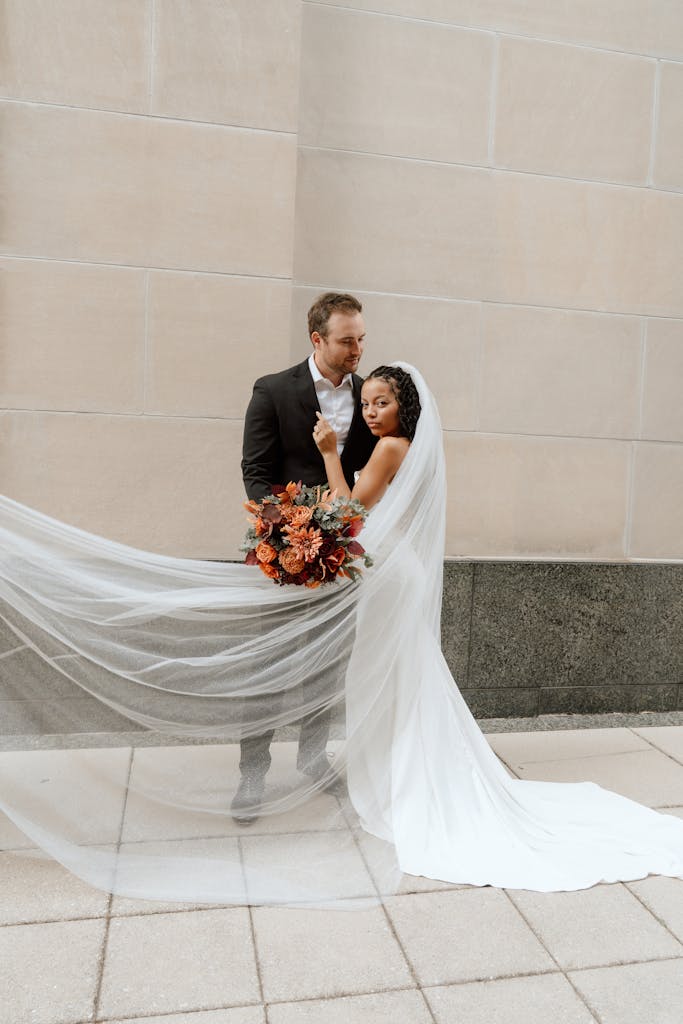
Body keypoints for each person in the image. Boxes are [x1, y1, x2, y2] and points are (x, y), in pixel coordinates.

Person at [0, 361, 682, 905]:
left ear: (401, 409)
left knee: (396, 680)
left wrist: (328, 455)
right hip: (387, 575)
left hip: (386, 576)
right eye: (370, 400)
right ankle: (384, 772)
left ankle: (412, 782)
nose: (371, 409)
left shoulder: (389, 447)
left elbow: (351, 507)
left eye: (381, 400)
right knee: (391, 678)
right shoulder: (381, 438)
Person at [233, 291, 377, 823]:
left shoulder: (369, 395)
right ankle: (252, 773)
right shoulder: (272, 390)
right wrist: (284, 528)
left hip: (345, 553)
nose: (357, 348)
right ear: (317, 339)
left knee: (329, 662)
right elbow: (255, 469)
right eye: (346, 340)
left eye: (361, 338)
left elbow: (368, 474)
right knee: (267, 664)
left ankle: (314, 759)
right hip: (286, 552)